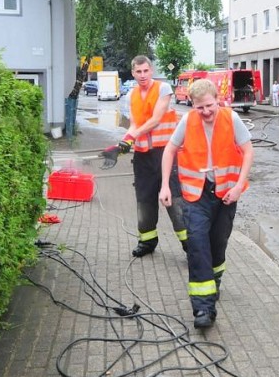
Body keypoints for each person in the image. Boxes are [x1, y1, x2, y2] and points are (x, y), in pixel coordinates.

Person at [159, 79, 254, 329]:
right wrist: (165, 186)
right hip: (195, 196)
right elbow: (169, 150)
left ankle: (215, 280)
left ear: (217, 100)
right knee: (198, 245)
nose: (206, 112)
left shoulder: (231, 119)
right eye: (200, 108)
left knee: (217, 243)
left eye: (210, 106)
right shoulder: (188, 121)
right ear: (193, 105)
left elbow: (248, 151)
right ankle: (203, 307)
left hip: (225, 195)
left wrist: (238, 187)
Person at [102, 56, 187, 257]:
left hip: (165, 154)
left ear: (151, 70)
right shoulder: (131, 95)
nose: (142, 75)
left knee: (174, 200)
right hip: (142, 157)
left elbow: (156, 120)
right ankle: (147, 241)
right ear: (132, 73)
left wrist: (131, 136)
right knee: (144, 200)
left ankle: (190, 246)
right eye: (138, 72)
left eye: (145, 71)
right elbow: (134, 124)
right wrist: (122, 144)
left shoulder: (163, 89)